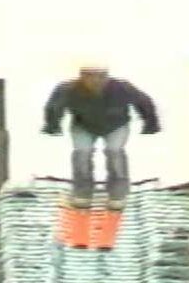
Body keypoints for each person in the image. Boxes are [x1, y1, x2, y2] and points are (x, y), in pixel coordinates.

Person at [42, 64, 160, 210]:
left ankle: (117, 193)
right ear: (81, 77)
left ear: (107, 77)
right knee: (82, 152)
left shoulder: (122, 87)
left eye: (100, 76)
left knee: (114, 151)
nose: (95, 81)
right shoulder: (67, 89)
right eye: (89, 76)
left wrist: (151, 124)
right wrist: (52, 125)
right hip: (83, 126)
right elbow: (53, 107)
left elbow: (144, 103)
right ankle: (82, 191)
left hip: (116, 126)